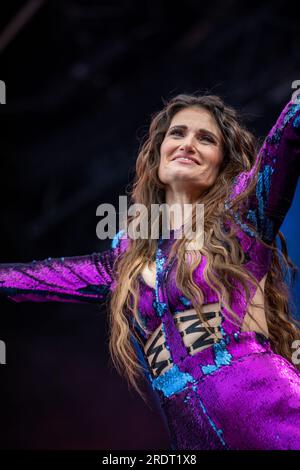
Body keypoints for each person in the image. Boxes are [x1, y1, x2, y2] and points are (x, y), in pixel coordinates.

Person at [1, 94, 300, 450]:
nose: (188, 144)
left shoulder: (243, 215)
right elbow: (27, 279)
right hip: (191, 436)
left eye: (206, 139)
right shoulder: (122, 264)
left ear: (223, 161)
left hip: (269, 406)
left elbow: (287, 134)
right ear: (158, 152)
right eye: (177, 133)